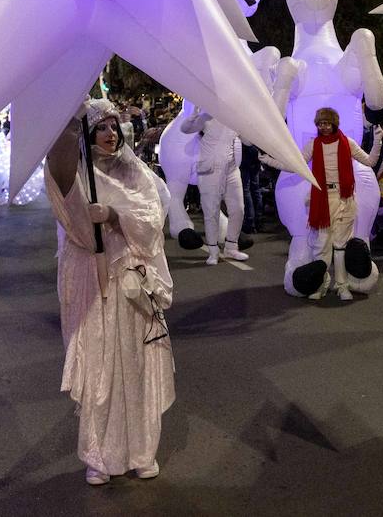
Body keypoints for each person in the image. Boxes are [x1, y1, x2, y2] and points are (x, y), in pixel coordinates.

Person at [44, 99, 174, 486]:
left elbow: (152, 223)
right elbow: (68, 207)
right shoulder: (79, 173)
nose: (110, 133)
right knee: (99, 366)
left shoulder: (137, 173)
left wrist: (117, 216)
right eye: (101, 127)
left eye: (114, 127)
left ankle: (142, 452)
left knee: (136, 365)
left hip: (132, 286)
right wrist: (70, 116)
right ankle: (100, 455)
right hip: (92, 283)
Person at [265, 107, 382, 301]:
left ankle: (342, 285)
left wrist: (377, 141)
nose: (323, 127)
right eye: (320, 123)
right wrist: (271, 161)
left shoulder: (348, 143)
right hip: (322, 198)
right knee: (321, 245)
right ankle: (321, 283)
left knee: (341, 245)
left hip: (345, 199)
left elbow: (370, 161)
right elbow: (296, 165)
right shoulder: (313, 145)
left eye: (326, 123)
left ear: (334, 123)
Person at [180, 108, 248, 264]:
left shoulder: (235, 118)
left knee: (238, 209)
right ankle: (213, 251)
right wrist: (193, 116)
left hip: (231, 169)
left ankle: (231, 247)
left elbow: (248, 141)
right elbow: (185, 129)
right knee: (211, 212)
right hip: (210, 170)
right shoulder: (206, 117)